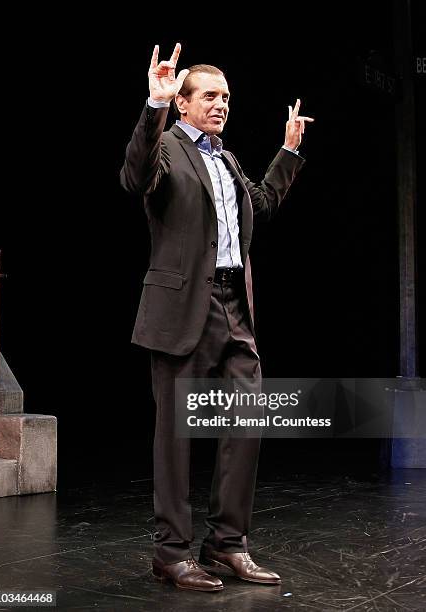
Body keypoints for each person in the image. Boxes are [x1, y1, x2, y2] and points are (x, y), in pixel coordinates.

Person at [120, 42, 313, 592]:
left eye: (226, 96)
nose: (221, 104)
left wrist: (288, 151)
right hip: (184, 309)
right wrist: (152, 107)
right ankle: (171, 553)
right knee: (176, 436)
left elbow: (263, 204)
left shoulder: (225, 157)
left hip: (235, 306)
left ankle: (227, 544)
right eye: (209, 95)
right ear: (182, 103)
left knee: (245, 425)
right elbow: (135, 176)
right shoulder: (168, 149)